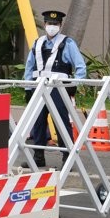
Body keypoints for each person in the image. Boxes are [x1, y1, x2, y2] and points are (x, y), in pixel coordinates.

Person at [23, 10, 88, 168]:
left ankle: (67, 158)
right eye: (49, 23)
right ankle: (38, 156)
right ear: (44, 24)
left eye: (55, 24)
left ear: (60, 25)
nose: (52, 26)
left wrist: (73, 85)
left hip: (58, 90)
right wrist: (27, 87)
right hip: (38, 87)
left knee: (61, 123)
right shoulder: (38, 43)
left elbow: (81, 67)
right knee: (37, 122)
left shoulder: (68, 43)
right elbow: (29, 67)